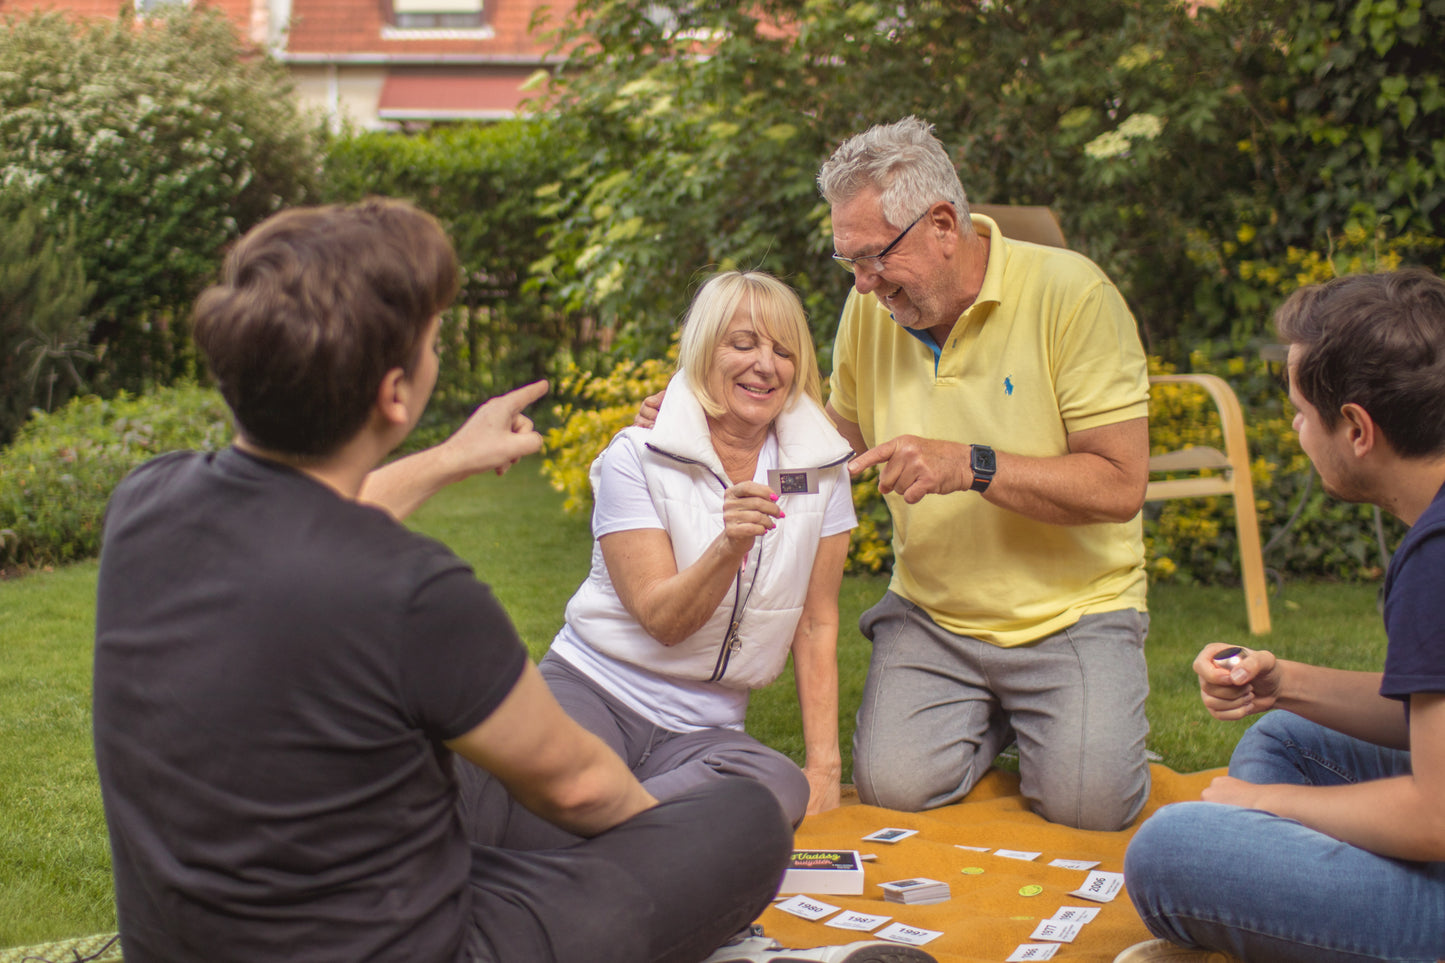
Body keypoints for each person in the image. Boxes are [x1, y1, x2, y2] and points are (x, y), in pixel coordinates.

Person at [92, 199, 909, 963]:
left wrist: (449, 456)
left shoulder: (146, 503)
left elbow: (287, 511)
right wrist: (672, 851)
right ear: (394, 392)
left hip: (185, 942)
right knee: (740, 824)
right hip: (427, 943)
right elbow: (583, 788)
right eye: (434, 341)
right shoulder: (416, 592)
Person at [818, 116, 1151, 829]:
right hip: (931, 615)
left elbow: (1119, 485)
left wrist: (969, 464)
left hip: (1073, 613)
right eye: (847, 260)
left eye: (873, 257)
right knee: (892, 789)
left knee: (1090, 807)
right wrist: (710, 415)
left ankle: (1036, 717)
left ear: (942, 222)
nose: (863, 281)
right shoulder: (868, 307)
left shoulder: (1073, 293)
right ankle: (1007, 717)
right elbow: (828, 443)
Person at [1118, 269, 1445, 963]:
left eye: (1299, 411)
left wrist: (1267, 807)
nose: (1294, 430)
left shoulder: (1436, 560)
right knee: (1287, 736)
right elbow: (1428, 715)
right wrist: (1281, 681)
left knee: (1167, 849)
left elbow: (1435, 815)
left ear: (1356, 427)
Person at [539, 271, 856, 827]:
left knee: (778, 788)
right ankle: (636, 823)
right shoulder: (637, 455)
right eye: (743, 344)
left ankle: (608, 819)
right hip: (595, 689)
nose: (766, 365)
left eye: (784, 351)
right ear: (705, 350)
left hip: (707, 731)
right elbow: (663, 621)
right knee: (541, 792)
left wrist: (825, 768)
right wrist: (728, 546)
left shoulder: (821, 472)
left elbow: (815, 622)